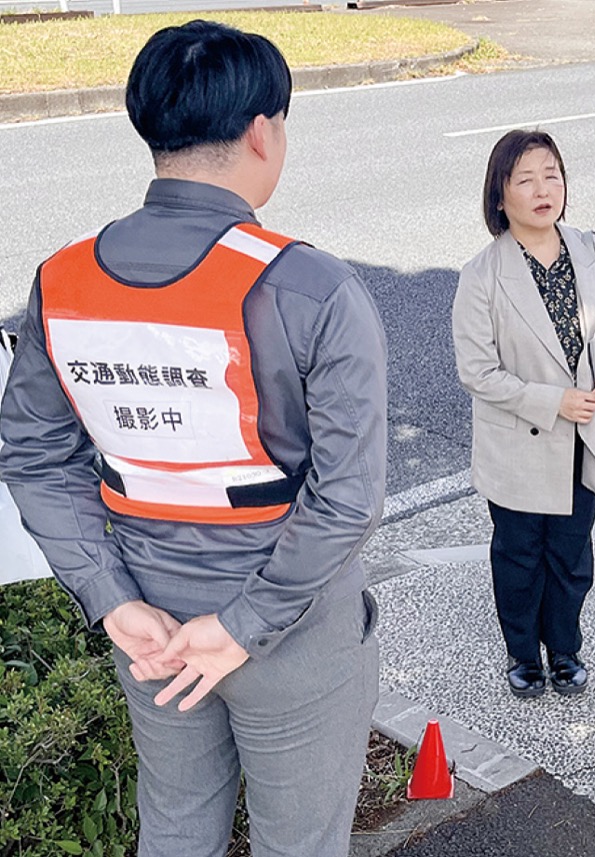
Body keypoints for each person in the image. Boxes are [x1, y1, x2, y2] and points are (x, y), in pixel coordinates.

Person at [0, 21, 388, 857]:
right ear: (263, 131)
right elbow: (349, 496)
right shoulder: (310, 287)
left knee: (175, 828)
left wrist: (111, 597)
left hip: (149, 620)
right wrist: (243, 622)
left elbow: (32, 453)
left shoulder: (64, 280)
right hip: (292, 630)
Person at [452, 129, 595, 698]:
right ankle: (522, 653)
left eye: (552, 176)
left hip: (584, 435)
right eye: (526, 180)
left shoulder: (594, 251)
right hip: (519, 438)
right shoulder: (482, 275)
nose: (543, 190)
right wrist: (552, 401)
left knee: (570, 550)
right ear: (500, 195)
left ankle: (564, 647)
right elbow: (477, 371)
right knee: (519, 554)